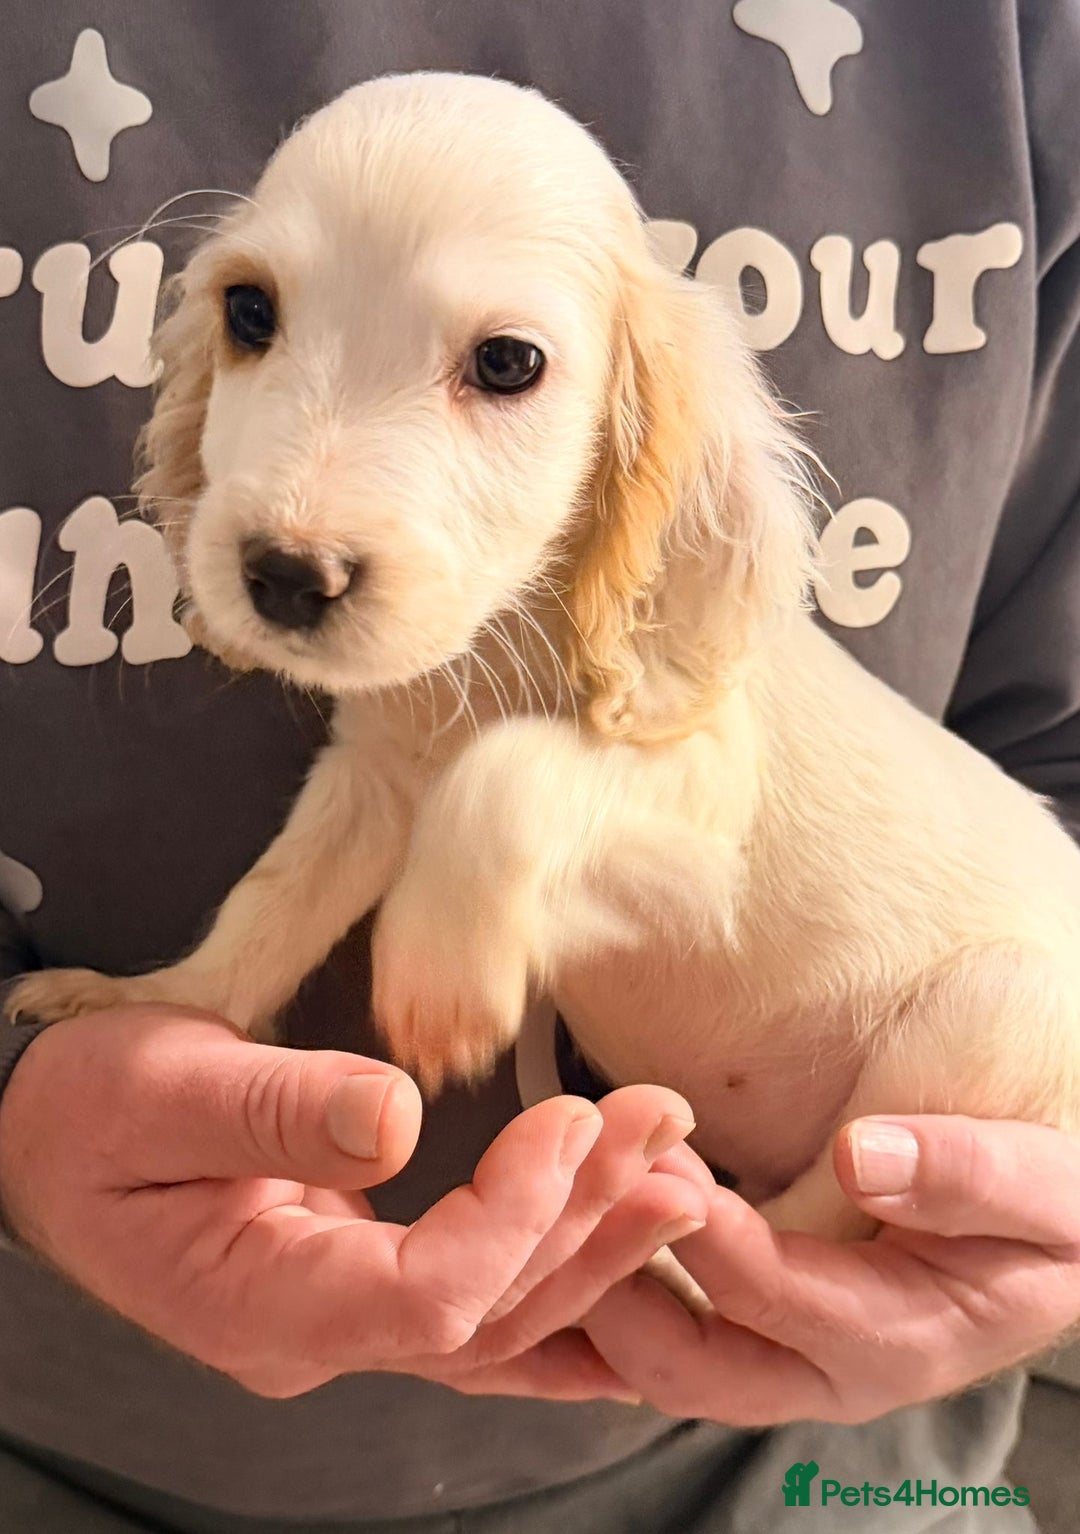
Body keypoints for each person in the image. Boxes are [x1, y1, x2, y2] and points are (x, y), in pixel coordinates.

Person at [1, 2, 1079, 1529]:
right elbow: (368, 798)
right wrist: (155, 1022)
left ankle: (777, 1246)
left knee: (1012, 998)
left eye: (500, 364)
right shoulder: (440, 653)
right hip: (57, 1438)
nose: (301, 517)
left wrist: (950, 1267)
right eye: (257, 317)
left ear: (639, 432)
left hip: (820, 1457)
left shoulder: (676, 611)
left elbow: (699, 804)